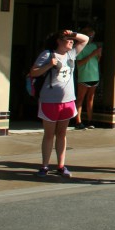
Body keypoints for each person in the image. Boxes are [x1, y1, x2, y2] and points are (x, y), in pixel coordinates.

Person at [31, 28, 90, 178]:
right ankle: (44, 166)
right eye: (67, 39)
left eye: (71, 39)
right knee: (49, 134)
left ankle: (61, 165)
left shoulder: (71, 54)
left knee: (62, 134)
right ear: (58, 41)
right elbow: (33, 72)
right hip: (50, 100)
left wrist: (73, 34)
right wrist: (49, 65)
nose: (71, 41)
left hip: (68, 100)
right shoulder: (47, 54)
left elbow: (85, 39)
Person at [73, 26, 101, 130]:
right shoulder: (80, 47)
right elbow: (79, 63)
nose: (92, 38)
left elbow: (96, 61)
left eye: (93, 36)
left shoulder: (93, 46)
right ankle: (78, 121)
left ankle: (90, 120)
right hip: (84, 76)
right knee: (80, 98)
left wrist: (98, 55)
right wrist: (92, 54)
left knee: (90, 99)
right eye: (90, 35)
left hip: (94, 75)